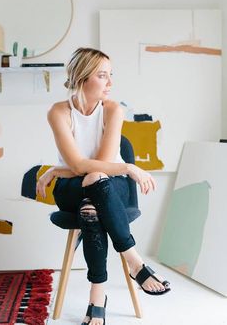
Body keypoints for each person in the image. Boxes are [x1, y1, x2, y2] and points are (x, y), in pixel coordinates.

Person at [36, 47, 171, 325]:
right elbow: (79, 166)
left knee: (93, 196)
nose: (110, 83)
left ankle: (97, 297)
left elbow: (99, 165)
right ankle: (134, 259)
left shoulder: (113, 110)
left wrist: (60, 169)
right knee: (90, 185)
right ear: (82, 77)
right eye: (102, 75)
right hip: (72, 189)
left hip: (112, 188)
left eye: (111, 75)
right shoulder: (58, 113)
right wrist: (128, 166)